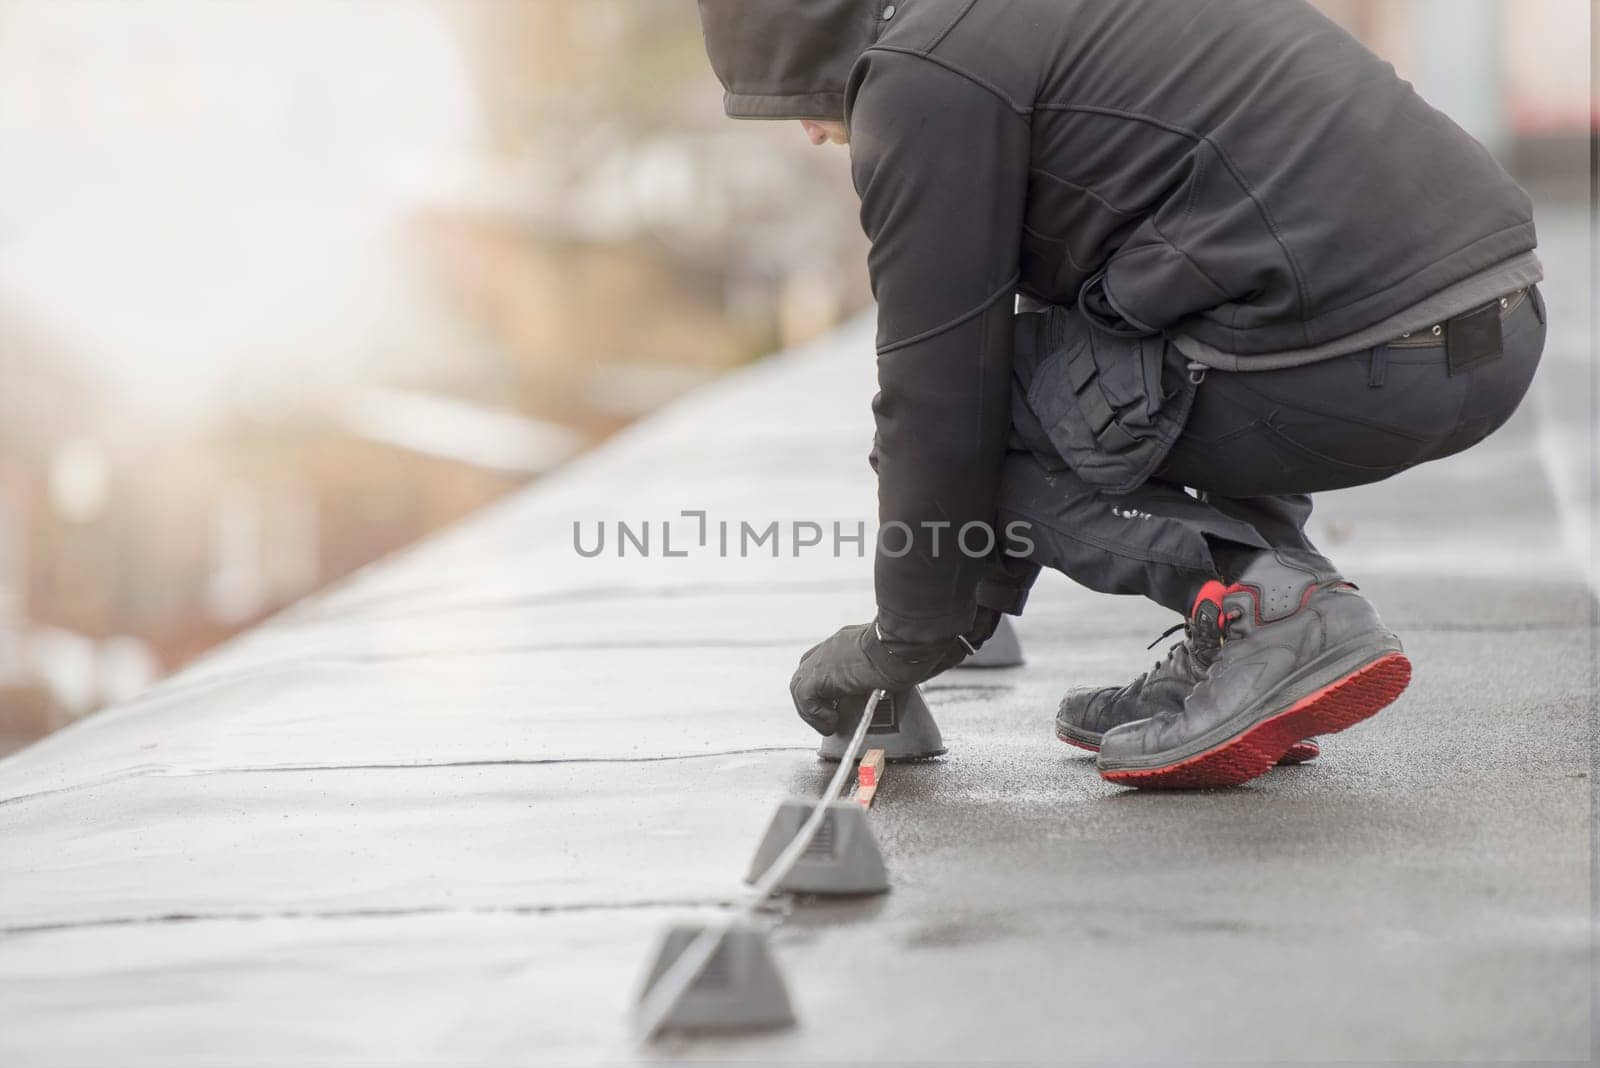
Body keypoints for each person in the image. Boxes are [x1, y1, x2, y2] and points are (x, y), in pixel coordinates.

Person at [696, 0, 1545, 788]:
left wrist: (902, 644)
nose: (809, 131)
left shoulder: (925, 74)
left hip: (1357, 361)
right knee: (1113, 347)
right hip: (1497, 326)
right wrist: (962, 612)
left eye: (789, 91)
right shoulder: (1028, 29)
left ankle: (1271, 613)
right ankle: (1262, 624)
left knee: (984, 399)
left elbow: (940, 399)